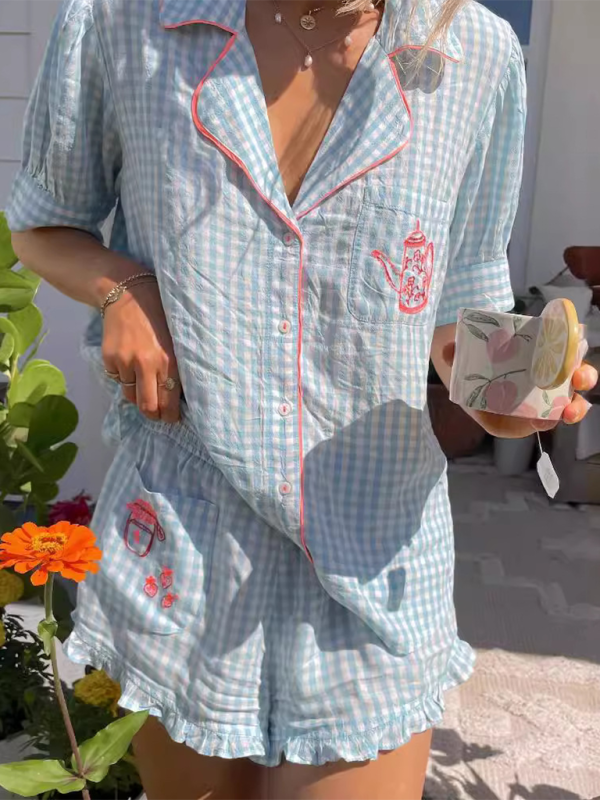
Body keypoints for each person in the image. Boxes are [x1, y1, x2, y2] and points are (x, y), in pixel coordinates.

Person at [6, 0, 597, 797]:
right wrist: (123, 288)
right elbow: (43, 226)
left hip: (375, 556)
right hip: (184, 542)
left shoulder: (476, 56)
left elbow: (459, 293)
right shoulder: (122, 22)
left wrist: (496, 391)